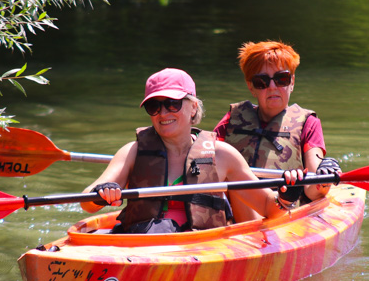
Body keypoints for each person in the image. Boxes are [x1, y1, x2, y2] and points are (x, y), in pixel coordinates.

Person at [81, 68, 304, 233]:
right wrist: (102, 193)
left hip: (197, 247)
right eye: (154, 106)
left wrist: (285, 198)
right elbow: (86, 203)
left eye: (172, 104)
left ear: (193, 106)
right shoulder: (132, 151)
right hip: (140, 242)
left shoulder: (222, 155)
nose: (163, 113)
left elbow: (267, 207)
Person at [214, 40, 341, 217]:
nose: (272, 87)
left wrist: (324, 177)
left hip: (284, 212)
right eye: (262, 81)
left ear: (292, 82)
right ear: (251, 87)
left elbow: (313, 190)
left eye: (281, 79)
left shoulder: (308, 123)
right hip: (237, 212)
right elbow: (205, 161)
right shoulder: (232, 119)